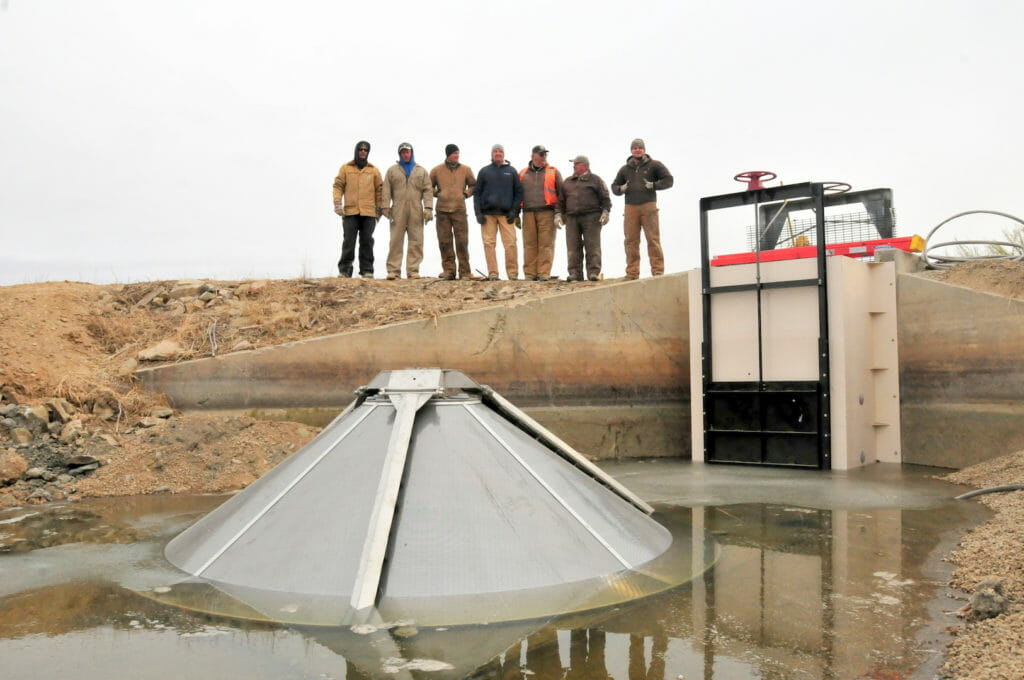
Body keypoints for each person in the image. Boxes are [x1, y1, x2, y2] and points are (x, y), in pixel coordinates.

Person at [610, 138, 674, 279]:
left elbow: (669, 180)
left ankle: (657, 270)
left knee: (653, 239)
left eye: (640, 148)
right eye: (634, 148)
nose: (637, 150)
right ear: (631, 150)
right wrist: (621, 188)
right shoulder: (625, 169)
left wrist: (655, 185)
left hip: (648, 205)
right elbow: (614, 186)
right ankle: (632, 272)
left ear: (644, 150)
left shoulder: (654, 165)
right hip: (630, 207)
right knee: (631, 241)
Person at [382, 142, 433, 279]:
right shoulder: (392, 170)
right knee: (395, 240)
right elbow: (386, 188)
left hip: (416, 209)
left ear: (412, 153)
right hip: (398, 209)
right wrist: (385, 206)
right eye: (403, 152)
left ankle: (413, 270)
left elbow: (428, 189)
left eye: (408, 152)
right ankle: (393, 270)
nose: (405, 154)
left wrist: (428, 208)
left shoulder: (421, 171)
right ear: (400, 154)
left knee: (416, 240)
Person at [332, 140, 383, 278]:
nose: (363, 152)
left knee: (367, 241)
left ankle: (367, 270)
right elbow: (338, 186)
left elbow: (380, 190)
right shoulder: (346, 168)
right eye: (360, 149)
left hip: (369, 212)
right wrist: (337, 203)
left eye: (366, 150)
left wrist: (379, 210)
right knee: (349, 240)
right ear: (356, 150)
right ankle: (344, 270)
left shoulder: (374, 170)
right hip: (350, 211)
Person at [474, 144, 522, 280]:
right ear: (491, 154)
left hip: (506, 214)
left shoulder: (512, 171)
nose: (498, 153)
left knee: (511, 243)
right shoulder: (484, 171)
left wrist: (514, 211)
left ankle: (513, 274)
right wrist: (478, 213)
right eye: (495, 151)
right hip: (487, 214)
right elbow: (477, 193)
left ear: (504, 154)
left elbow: (518, 192)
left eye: (500, 151)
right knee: (489, 243)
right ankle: (493, 273)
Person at [429, 144, 477, 280]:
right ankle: (449, 271)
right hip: (442, 210)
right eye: (454, 153)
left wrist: (466, 194)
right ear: (448, 155)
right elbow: (427, 186)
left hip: (459, 210)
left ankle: (465, 272)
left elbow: (474, 184)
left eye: (458, 153)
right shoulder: (437, 170)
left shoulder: (466, 170)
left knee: (462, 241)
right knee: (444, 241)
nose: (457, 155)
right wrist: (438, 193)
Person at [560, 155, 611, 282]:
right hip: (571, 218)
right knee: (572, 247)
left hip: (592, 217)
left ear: (585, 165)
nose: (574, 166)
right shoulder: (567, 182)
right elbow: (560, 201)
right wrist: (558, 214)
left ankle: (593, 273)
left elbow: (605, 198)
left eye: (577, 163)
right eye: (574, 164)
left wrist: (605, 212)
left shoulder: (596, 180)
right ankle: (575, 274)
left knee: (592, 246)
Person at [518, 145, 564, 281]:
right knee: (529, 243)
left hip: (547, 212)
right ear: (533, 156)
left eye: (545, 154)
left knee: (546, 243)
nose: (544, 156)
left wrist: (558, 213)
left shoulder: (553, 172)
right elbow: (516, 194)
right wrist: (515, 213)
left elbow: (561, 194)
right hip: (528, 213)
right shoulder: (522, 173)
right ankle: (530, 274)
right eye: (541, 154)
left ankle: (543, 273)